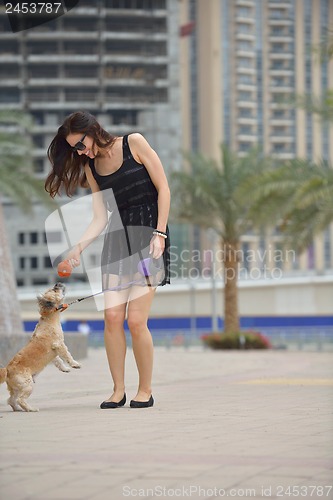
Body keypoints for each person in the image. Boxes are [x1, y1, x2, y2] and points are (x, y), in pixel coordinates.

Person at [45, 110, 170, 409]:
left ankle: (146, 390)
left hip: (149, 236)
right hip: (116, 241)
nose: (80, 151)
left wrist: (160, 233)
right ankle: (117, 390)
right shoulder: (92, 167)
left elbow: (163, 188)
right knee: (112, 318)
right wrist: (77, 248)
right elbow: (100, 217)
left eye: (80, 143)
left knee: (136, 321)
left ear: (92, 130)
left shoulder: (134, 143)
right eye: (75, 148)